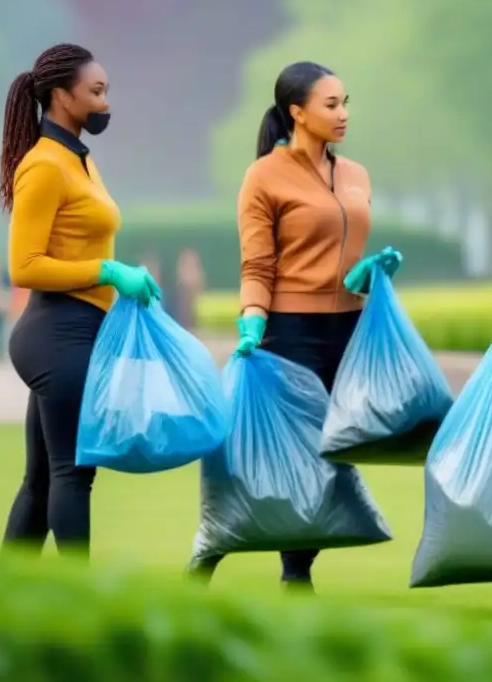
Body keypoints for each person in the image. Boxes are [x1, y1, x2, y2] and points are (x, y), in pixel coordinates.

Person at [192, 61, 401, 591]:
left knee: (331, 450)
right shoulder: (264, 175)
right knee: (288, 453)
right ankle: (226, 546)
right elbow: (258, 264)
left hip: (349, 329)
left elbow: (345, 249)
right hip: (289, 328)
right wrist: (252, 322)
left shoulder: (355, 174)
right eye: (331, 105)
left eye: (345, 101)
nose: (343, 113)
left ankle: (296, 569)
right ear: (297, 112)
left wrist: (368, 273)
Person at [0, 43, 161, 559]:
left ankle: (3, 597)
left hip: (79, 329)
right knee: (73, 472)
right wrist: (107, 271)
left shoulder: (76, 160)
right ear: (62, 96)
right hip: (56, 333)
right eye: (96, 92)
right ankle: (80, 608)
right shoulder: (44, 165)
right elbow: (24, 267)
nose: (105, 102)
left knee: (42, 481)